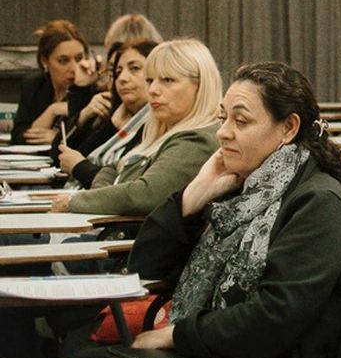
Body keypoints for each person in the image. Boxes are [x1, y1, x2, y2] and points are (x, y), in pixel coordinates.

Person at [125, 62, 341, 358]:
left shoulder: (319, 204)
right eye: (222, 118)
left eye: (240, 122)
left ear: (288, 128)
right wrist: (192, 197)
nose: (223, 133)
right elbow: (144, 270)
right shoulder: (243, 188)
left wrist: (177, 335)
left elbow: (273, 317)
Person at [48, 39, 221, 216]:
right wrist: (104, 194)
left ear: (200, 86)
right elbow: (111, 169)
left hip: (125, 240)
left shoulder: (196, 140)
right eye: (150, 80)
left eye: (167, 80)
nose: (153, 89)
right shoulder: (161, 132)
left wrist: (77, 202)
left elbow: (144, 195)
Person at [57, 39, 159, 188]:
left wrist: (80, 167)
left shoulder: (160, 121)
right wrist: (110, 126)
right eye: (117, 72)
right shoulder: (119, 112)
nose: (122, 79)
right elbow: (63, 156)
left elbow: (126, 186)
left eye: (135, 68)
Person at [11, 20, 87, 145]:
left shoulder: (91, 91)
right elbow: (19, 137)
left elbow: (90, 141)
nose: (74, 68)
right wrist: (52, 110)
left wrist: (58, 139)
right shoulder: (34, 85)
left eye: (79, 59)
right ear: (45, 60)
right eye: (63, 61)